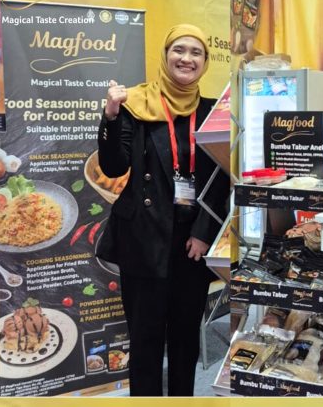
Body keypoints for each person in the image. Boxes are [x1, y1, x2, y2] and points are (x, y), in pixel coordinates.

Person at [97, 24, 229, 396]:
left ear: (205, 61)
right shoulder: (135, 104)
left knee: (185, 340)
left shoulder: (214, 112)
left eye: (196, 52)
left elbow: (222, 176)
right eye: (179, 50)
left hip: (192, 244)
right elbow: (113, 167)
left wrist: (204, 231)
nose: (187, 58)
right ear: (166, 55)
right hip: (143, 238)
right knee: (145, 340)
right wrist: (110, 116)